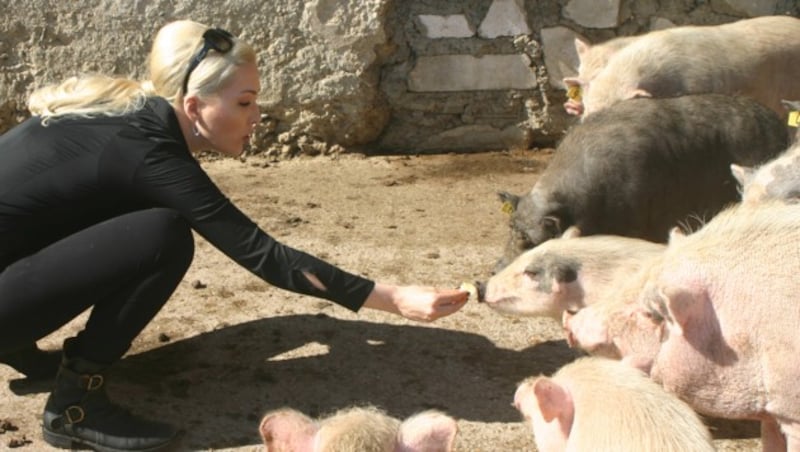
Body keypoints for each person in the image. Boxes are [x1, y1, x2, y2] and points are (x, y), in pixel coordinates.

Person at [0, 20, 469, 452]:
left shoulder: (123, 113)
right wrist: (394, 298)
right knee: (161, 234)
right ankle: (74, 406)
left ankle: (19, 344)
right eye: (244, 102)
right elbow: (265, 256)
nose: (257, 116)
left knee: (119, 213)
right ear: (193, 106)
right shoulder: (149, 153)